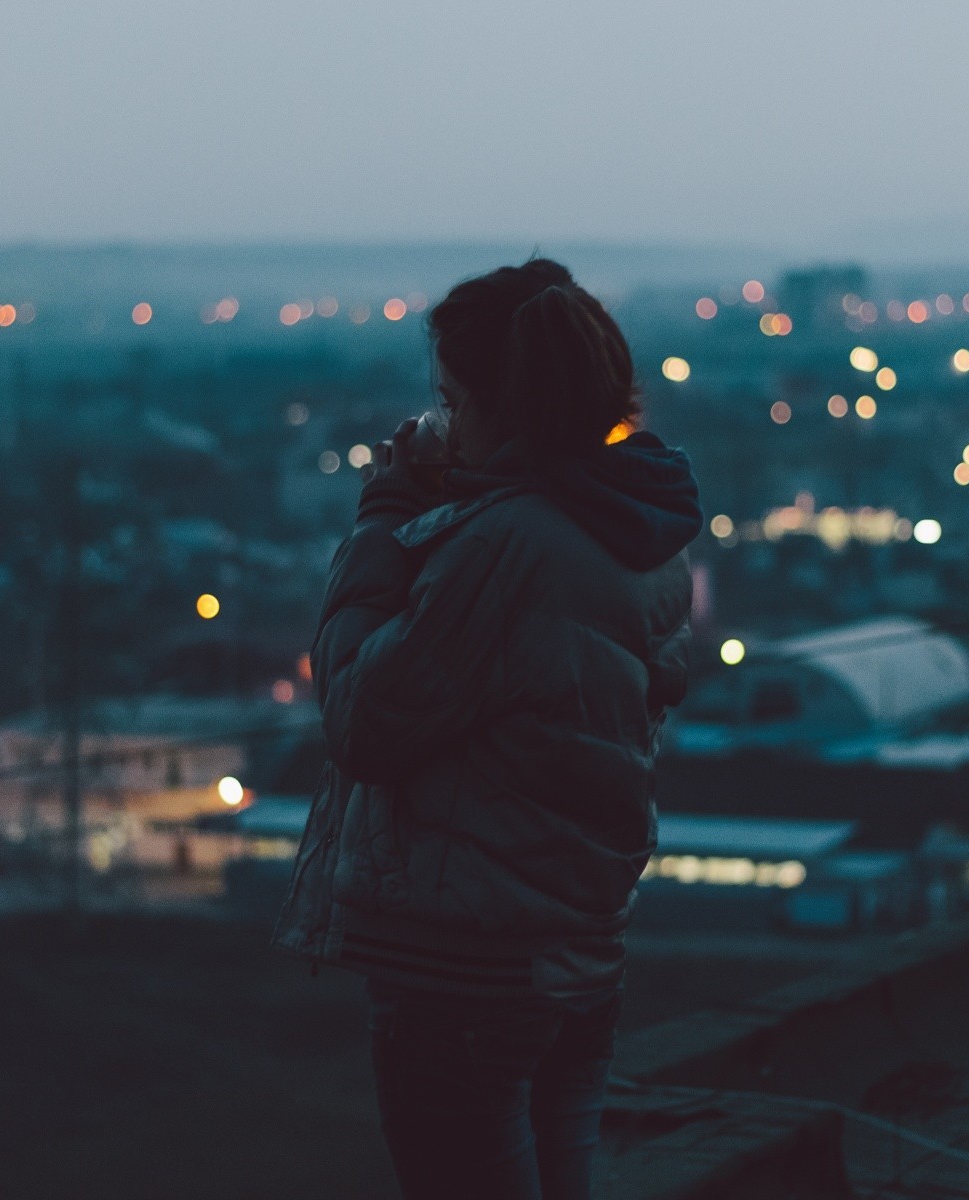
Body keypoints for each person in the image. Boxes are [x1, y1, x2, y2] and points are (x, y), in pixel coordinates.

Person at [273, 258, 700, 1199]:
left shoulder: (508, 546)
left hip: (464, 968)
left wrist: (387, 517)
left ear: (512, 409)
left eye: (456, 402)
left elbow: (365, 718)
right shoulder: (641, 533)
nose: (444, 426)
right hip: (576, 952)